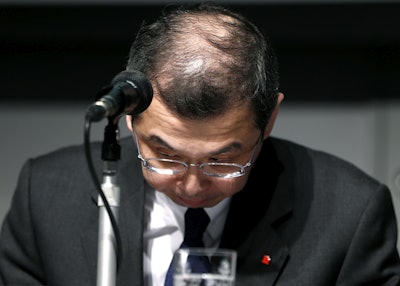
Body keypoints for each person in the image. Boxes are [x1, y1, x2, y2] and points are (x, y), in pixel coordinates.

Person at [0, 2, 399, 286]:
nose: (191, 185)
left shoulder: (350, 216)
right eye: (165, 156)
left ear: (270, 119)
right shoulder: (48, 198)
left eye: (222, 163)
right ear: (130, 115)